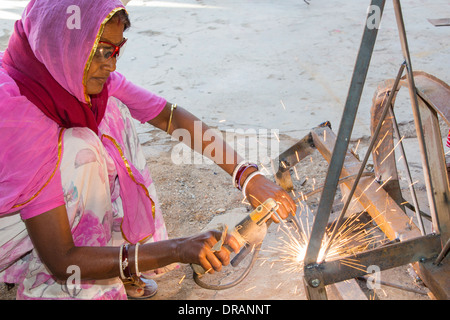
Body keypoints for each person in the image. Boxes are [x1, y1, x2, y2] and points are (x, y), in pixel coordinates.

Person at [0, 0, 296, 300]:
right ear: (66, 42)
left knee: (112, 113)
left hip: (27, 212)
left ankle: (109, 258)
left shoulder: (58, 71)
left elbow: (169, 117)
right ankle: (68, 286)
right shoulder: (20, 118)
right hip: (39, 248)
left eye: (117, 51)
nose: (112, 65)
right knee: (83, 149)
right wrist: (176, 249)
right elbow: (63, 260)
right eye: (102, 51)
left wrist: (247, 175)